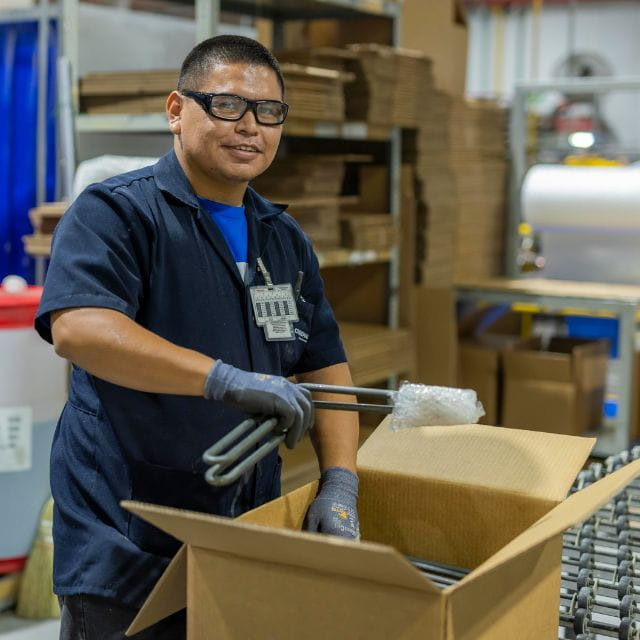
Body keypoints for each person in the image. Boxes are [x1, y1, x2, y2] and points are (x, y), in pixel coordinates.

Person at [35, 35, 360, 640]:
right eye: (229, 105)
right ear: (177, 110)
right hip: (127, 537)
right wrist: (223, 380)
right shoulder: (118, 213)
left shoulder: (281, 237)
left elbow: (325, 362)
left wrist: (340, 480)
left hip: (244, 525)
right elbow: (79, 329)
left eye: (270, 113)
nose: (251, 128)